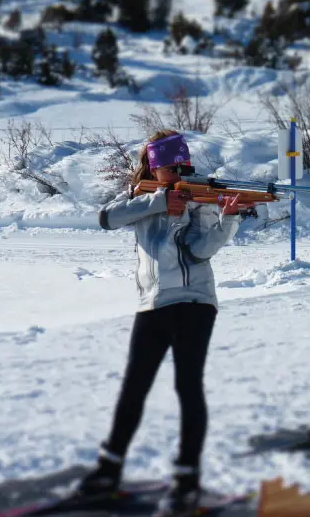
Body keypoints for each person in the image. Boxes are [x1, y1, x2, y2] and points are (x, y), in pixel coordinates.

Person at [76, 130, 241, 514]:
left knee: (188, 385)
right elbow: (106, 218)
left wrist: (226, 219)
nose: (178, 172)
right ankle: (108, 469)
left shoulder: (198, 198)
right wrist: (158, 200)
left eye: (182, 165)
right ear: (153, 167)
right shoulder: (141, 196)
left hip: (195, 301)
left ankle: (186, 479)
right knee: (134, 387)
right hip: (153, 303)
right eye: (170, 167)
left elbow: (200, 252)